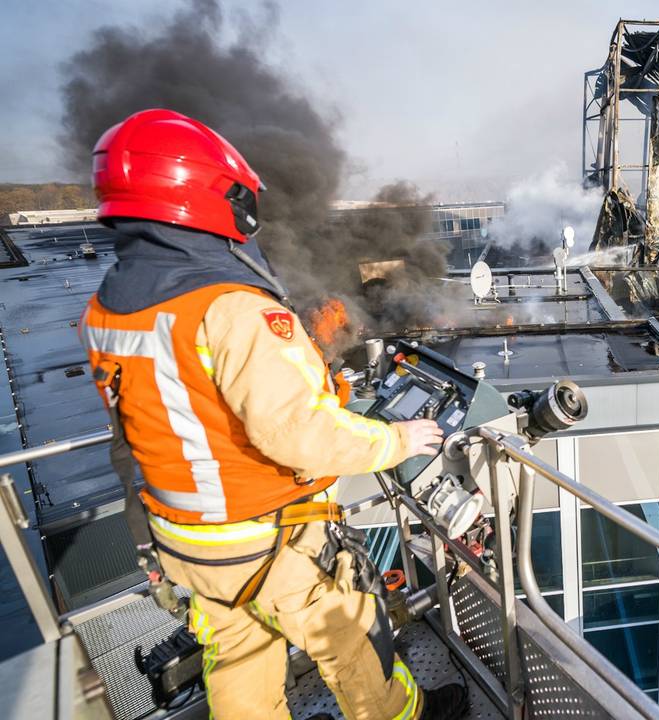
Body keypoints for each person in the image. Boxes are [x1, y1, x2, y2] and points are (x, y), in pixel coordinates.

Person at [79, 108, 467, 720]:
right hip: (260, 539)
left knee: (237, 659)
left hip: (183, 536)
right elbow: (299, 432)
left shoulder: (107, 311)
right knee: (350, 633)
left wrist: (145, 540)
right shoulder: (232, 308)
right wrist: (395, 439)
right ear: (204, 195)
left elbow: (128, 439)